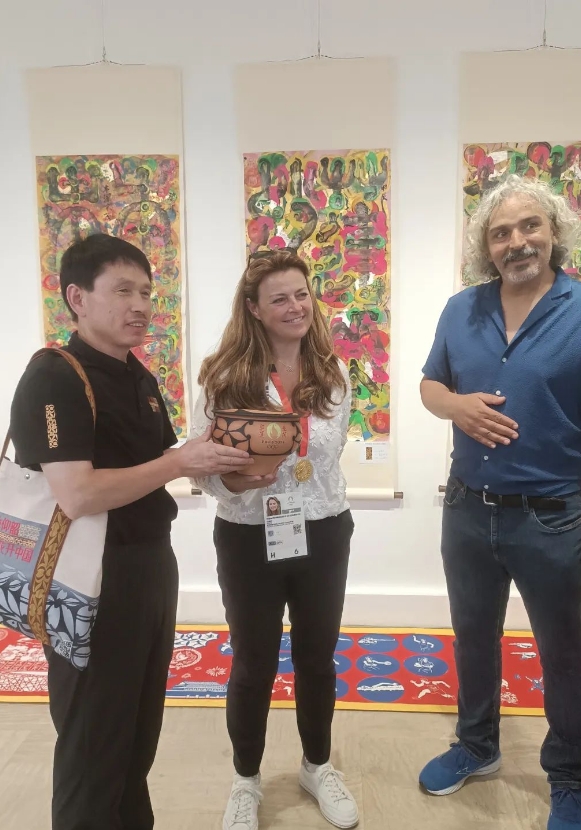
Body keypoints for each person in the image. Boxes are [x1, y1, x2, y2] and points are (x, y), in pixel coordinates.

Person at [9, 233, 252, 830]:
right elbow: (78, 494)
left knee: (137, 736)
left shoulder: (138, 378)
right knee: (93, 743)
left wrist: (224, 464)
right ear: (77, 298)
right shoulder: (55, 377)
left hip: (148, 566)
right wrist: (180, 462)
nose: (141, 305)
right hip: (90, 576)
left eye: (146, 292)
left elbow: (159, 465)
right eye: (123, 291)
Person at [418, 175, 581, 830]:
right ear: (487, 247)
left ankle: (568, 777)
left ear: (554, 232)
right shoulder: (461, 309)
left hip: (550, 517)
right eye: (501, 232)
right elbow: (429, 386)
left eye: (529, 225)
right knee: (472, 637)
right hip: (465, 509)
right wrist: (456, 406)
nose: (516, 241)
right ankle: (477, 746)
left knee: (562, 651)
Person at [191, 250, 358, 830]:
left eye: (302, 295)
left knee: (317, 658)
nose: (295, 307)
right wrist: (234, 480)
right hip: (247, 534)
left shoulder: (334, 374)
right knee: (253, 662)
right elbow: (202, 466)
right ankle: (246, 780)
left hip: (324, 528)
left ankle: (317, 766)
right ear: (255, 309)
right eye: (280, 298)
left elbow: (329, 458)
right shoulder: (223, 377)